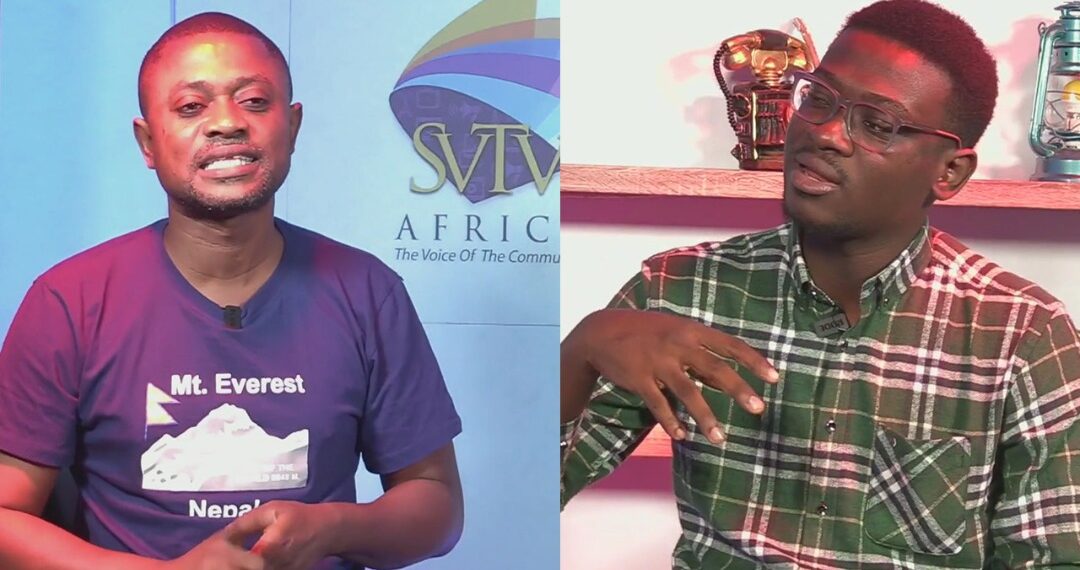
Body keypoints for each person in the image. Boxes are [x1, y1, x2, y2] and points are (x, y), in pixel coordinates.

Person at [561, 0, 1080, 567]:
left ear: (949, 172)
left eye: (877, 124)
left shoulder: (1022, 336)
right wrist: (581, 351)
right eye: (819, 99)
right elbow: (517, 497)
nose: (827, 133)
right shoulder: (677, 291)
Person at [0, 12, 462, 570]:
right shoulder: (69, 300)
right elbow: (6, 514)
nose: (226, 123)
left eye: (254, 101)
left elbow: (437, 504)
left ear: (292, 127)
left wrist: (332, 527)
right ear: (147, 142)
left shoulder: (366, 292)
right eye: (191, 107)